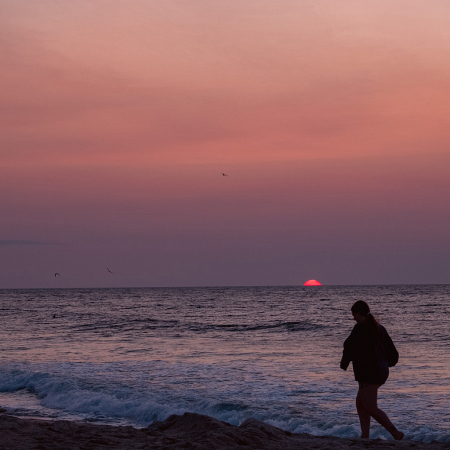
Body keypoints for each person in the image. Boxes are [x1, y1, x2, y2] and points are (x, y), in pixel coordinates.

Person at [340, 300, 404, 440]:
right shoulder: (378, 327)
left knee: (370, 407)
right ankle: (365, 437)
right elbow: (391, 349)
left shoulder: (360, 327)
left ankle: (395, 433)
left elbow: (349, 346)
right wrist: (390, 363)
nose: (353, 318)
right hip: (380, 370)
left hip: (370, 372)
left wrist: (344, 364)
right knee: (361, 404)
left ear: (358, 313)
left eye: (354, 314)